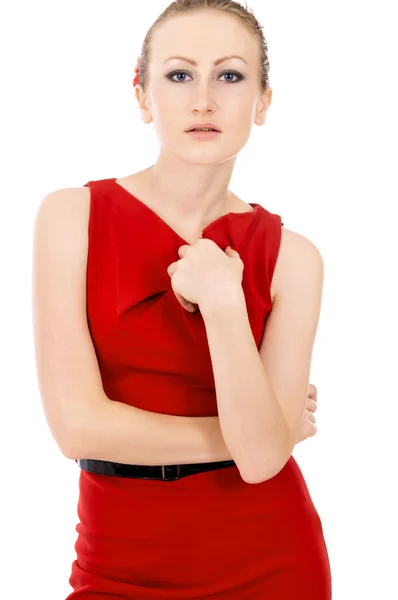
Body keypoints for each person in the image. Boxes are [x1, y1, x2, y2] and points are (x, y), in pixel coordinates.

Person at [32, 1, 331, 598]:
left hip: (270, 561)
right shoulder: (73, 216)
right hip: (113, 566)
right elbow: (77, 429)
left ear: (262, 101)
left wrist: (223, 301)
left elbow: (263, 465)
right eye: (178, 74)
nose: (203, 100)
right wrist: (263, 434)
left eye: (229, 75)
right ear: (142, 95)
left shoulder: (293, 258)